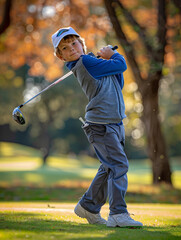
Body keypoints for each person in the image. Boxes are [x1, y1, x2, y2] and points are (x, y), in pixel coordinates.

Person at [52, 27, 143, 228]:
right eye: (65, 48)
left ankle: (88, 206)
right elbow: (121, 64)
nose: (72, 49)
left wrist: (105, 59)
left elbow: (117, 79)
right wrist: (113, 54)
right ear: (61, 56)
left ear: (82, 43)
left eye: (74, 43)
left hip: (114, 122)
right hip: (101, 124)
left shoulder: (92, 63)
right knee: (119, 165)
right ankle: (118, 213)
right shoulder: (85, 61)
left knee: (109, 167)